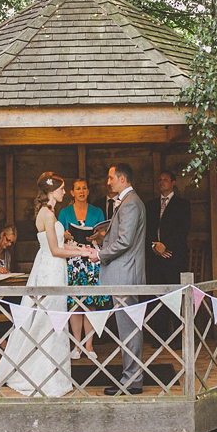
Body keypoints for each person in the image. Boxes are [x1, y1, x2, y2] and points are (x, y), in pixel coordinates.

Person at [0, 172, 96, 397]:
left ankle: (55, 372)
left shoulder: (51, 212)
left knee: (56, 317)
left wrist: (83, 250)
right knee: (48, 318)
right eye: (62, 188)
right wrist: (82, 252)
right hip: (50, 270)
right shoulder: (45, 214)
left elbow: (60, 246)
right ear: (52, 191)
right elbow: (55, 250)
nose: (65, 192)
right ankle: (43, 375)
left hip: (56, 267)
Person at [91, 163, 146, 395]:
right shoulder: (126, 202)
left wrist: (100, 254)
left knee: (129, 329)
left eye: (111, 178)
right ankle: (131, 377)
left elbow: (125, 241)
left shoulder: (131, 203)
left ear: (122, 179)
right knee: (127, 328)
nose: (108, 182)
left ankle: (132, 381)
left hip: (126, 275)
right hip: (124, 273)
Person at [59, 178, 109, 361]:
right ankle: (77, 345)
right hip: (72, 260)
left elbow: (104, 237)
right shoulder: (64, 212)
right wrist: (63, 234)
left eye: (84, 188)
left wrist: (99, 235)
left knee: (89, 302)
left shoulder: (97, 211)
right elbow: (58, 239)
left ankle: (89, 344)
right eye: (78, 188)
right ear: (72, 192)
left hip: (91, 259)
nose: (81, 191)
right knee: (74, 303)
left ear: (88, 192)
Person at [146, 170, 191, 338]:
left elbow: (183, 229)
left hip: (174, 257)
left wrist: (166, 246)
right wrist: (154, 247)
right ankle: (160, 337)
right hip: (155, 258)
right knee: (157, 298)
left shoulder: (183, 204)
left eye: (165, 179)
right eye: (159, 179)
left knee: (176, 297)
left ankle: (179, 338)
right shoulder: (150, 205)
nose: (161, 182)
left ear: (173, 183)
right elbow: (148, 229)